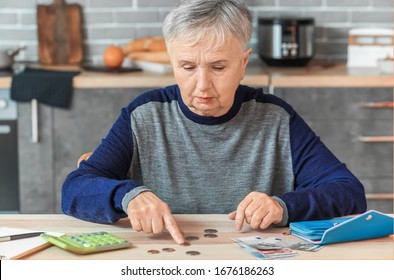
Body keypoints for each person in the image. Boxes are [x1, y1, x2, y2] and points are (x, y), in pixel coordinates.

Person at [61, 0, 366, 245]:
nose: (202, 85)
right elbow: (74, 189)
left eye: (218, 67)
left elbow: (349, 192)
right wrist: (127, 196)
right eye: (188, 67)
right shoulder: (143, 115)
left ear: (243, 63)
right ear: (172, 62)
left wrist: (283, 206)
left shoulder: (276, 118)